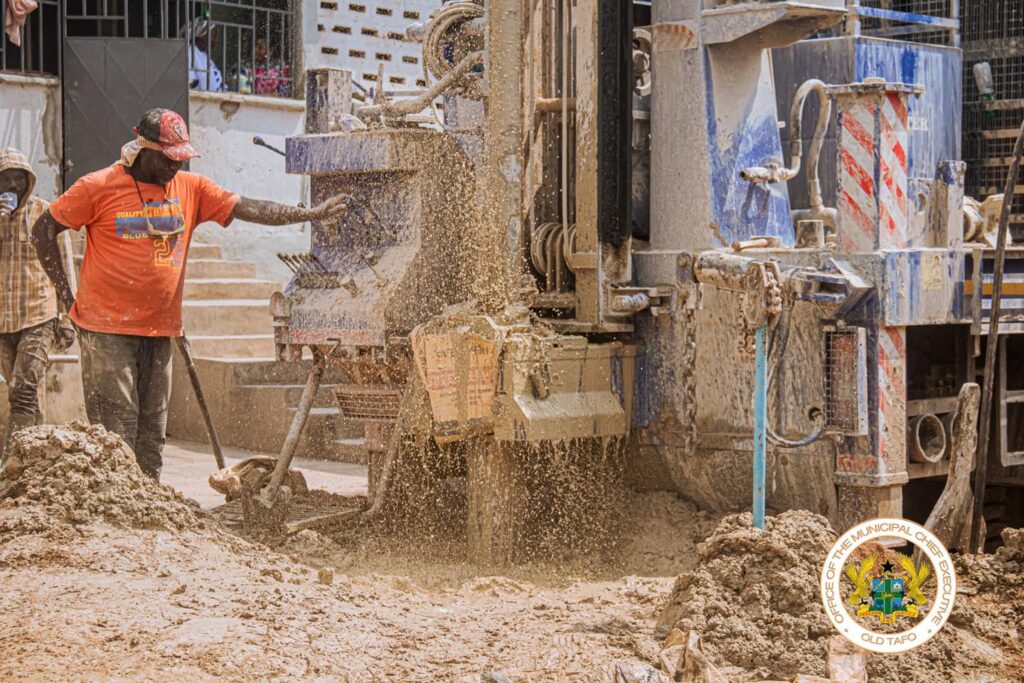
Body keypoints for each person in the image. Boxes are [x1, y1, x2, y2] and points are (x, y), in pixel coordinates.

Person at [31, 109, 347, 480]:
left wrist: (310, 214)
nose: (175, 167)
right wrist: (67, 299)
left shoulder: (191, 188)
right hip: (106, 330)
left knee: (152, 434)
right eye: (168, 159)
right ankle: (116, 509)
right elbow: (42, 230)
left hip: (160, 329)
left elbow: (249, 207)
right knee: (118, 432)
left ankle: (150, 502)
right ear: (143, 148)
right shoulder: (97, 186)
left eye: (181, 159)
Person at [0, 147, 75, 462]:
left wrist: (68, 317)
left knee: (23, 388)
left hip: (38, 314)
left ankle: (11, 460)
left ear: (28, 181)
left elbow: (65, 267)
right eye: (6, 179)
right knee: (25, 391)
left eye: (19, 178)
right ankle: (36, 458)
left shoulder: (46, 214)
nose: (12, 184)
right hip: (3, 319)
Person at [187, 18, 224, 91]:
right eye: (214, 34)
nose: (216, 38)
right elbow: (190, 85)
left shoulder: (204, 55)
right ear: (202, 35)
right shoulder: (190, 53)